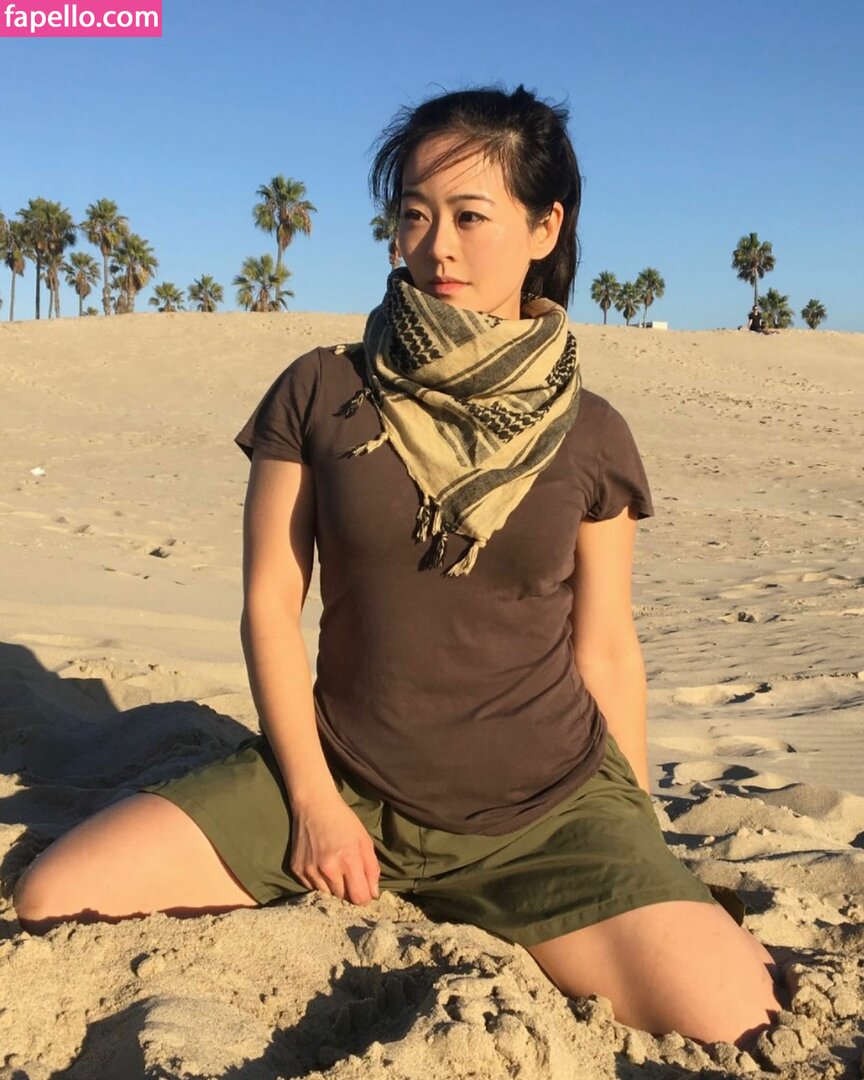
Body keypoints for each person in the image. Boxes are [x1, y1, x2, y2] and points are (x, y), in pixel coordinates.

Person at [13, 85, 781, 1048]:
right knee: (57, 894)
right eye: (416, 214)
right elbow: (269, 606)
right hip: (345, 781)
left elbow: (607, 647)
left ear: (545, 227)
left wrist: (635, 835)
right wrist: (312, 806)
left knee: (737, 1015)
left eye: (471, 216)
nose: (438, 246)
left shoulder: (592, 432)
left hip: (548, 812)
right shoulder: (321, 389)